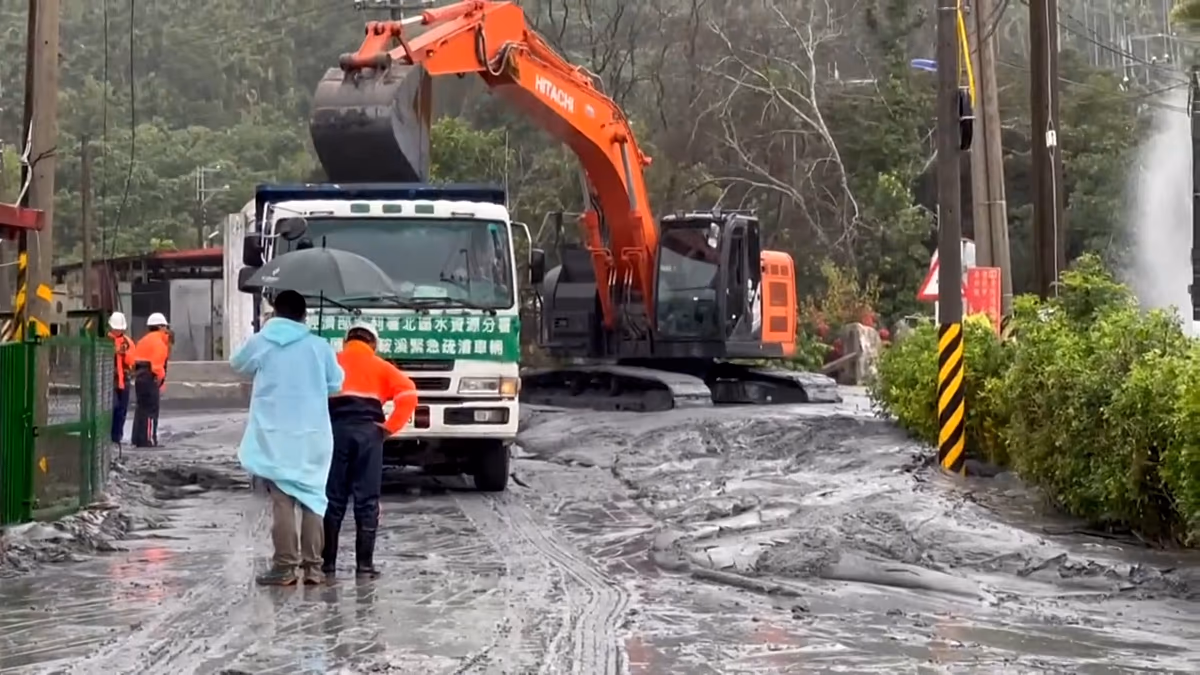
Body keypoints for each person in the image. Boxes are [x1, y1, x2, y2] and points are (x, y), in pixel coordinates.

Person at [231, 290, 344, 586]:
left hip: (274, 434)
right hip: (313, 434)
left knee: (282, 501)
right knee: (314, 501)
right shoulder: (319, 346)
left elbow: (238, 364)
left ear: (275, 312)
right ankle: (313, 569)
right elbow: (336, 383)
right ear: (304, 315)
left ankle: (284, 567)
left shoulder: (262, 341)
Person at [322, 321, 418, 579]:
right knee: (366, 499)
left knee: (333, 498)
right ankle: (364, 566)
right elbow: (409, 394)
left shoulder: (331, 362)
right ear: (372, 345)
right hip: (369, 435)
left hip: (335, 433)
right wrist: (389, 428)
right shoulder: (383, 367)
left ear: (346, 341)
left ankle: (327, 564)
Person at [131, 312, 171, 447]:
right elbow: (157, 366)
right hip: (150, 377)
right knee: (151, 410)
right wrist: (160, 380)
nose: (167, 330)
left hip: (139, 377)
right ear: (160, 327)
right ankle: (149, 439)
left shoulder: (143, 341)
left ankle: (137, 438)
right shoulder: (159, 343)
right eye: (165, 327)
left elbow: (133, 360)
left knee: (141, 409)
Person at [108, 312, 137, 448]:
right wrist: (114, 352)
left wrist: (124, 353)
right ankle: (110, 436)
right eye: (115, 328)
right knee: (112, 408)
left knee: (122, 410)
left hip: (123, 380)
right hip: (110, 380)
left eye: (119, 328)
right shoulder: (106, 340)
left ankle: (117, 437)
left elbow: (132, 361)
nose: (117, 331)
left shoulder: (128, 342)